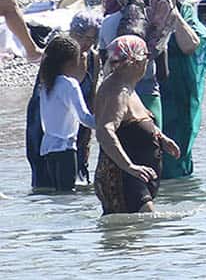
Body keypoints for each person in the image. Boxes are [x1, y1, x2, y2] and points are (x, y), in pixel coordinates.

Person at [92, 35, 175, 214]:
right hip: (125, 177)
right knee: (148, 224)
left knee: (138, 236)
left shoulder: (127, 86)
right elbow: (105, 131)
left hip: (137, 177)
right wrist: (129, 166)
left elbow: (136, 123)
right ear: (135, 62)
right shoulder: (117, 90)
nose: (147, 62)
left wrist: (161, 138)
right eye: (146, 56)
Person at [29, 34, 93, 191]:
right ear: (72, 62)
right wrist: (108, 123)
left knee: (57, 195)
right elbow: (85, 118)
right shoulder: (70, 84)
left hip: (48, 148)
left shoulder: (45, 85)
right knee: (67, 196)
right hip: (65, 148)